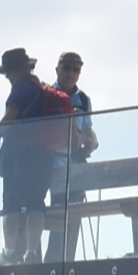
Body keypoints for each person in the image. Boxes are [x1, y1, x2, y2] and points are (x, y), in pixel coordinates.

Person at [0, 48, 73, 264]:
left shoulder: (20, 89)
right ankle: (31, 253)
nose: (8, 77)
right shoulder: (40, 87)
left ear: (17, 70)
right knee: (36, 203)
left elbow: (9, 118)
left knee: (11, 205)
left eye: (8, 72)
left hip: (18, 157)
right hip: (43, 155)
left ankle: (10, 253)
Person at [44, 51, 98, 262]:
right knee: (57, 215)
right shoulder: (47, 95)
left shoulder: (84, 100)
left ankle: (66, 262)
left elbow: (88, 129)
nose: (71, 73)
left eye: (76, 69)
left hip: (75, 165)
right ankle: (52, 262)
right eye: (67, 68)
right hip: (53, 164)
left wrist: (89, 141)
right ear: (57, 69)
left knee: (74, 216)